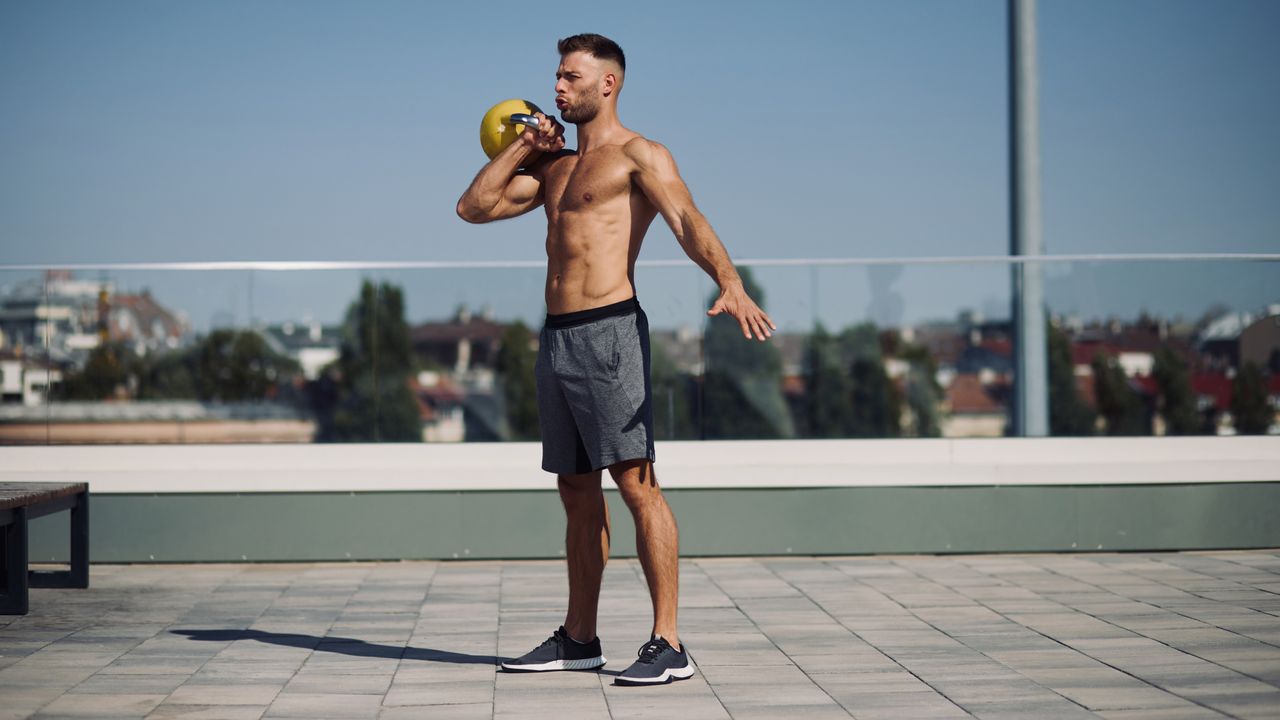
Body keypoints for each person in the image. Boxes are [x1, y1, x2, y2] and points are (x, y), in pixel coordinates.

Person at [457, 33, 774, 686]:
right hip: (558, 339)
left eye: (570, 76)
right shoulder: (553, 170)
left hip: (610, 334)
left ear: (608, 84)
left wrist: (730, 282)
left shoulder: (639, 155)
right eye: (555, 75)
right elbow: (473, 207)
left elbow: (687, 219)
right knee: (575, 491)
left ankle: (669, 642)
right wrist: (525, 143)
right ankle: (579, 637)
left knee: (635, 484)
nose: (557, 87)